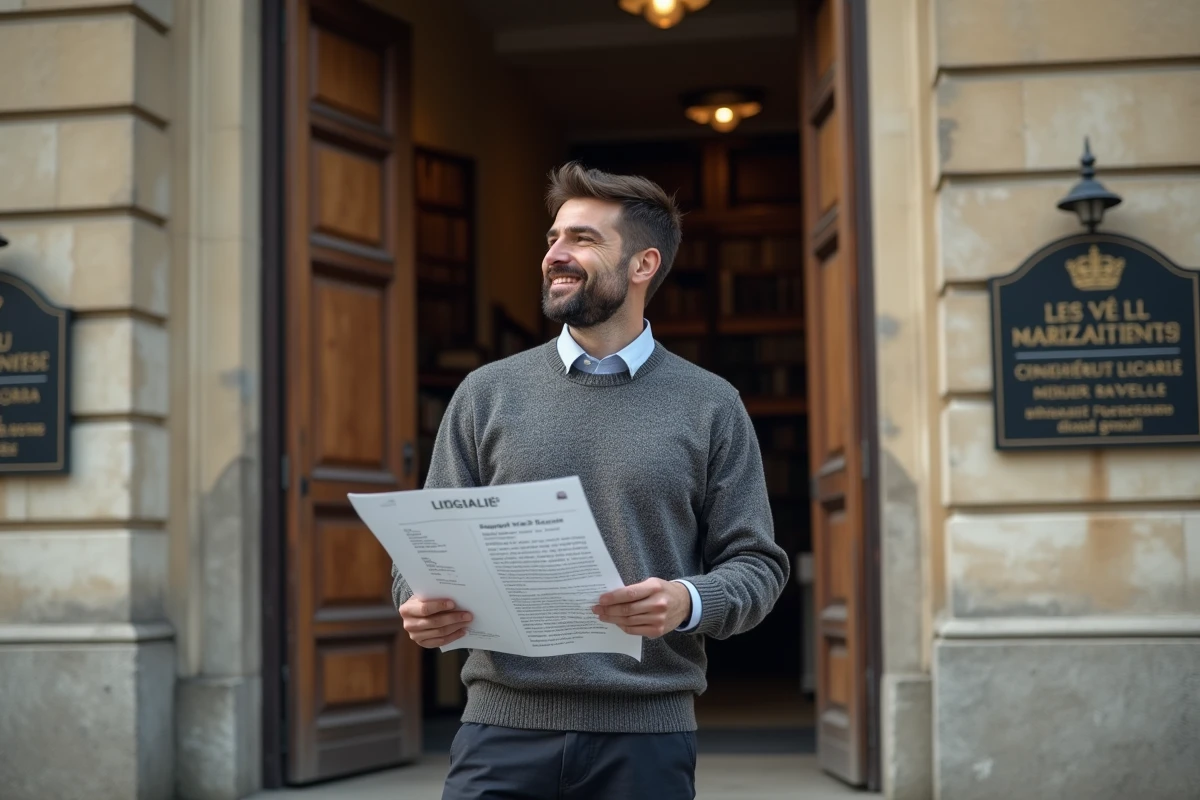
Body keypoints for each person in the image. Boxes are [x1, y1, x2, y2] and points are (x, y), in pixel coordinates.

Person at [393, 162, 790, 800]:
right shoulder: (485, 394)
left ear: (643, 265)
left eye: (583, 239)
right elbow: (427, 544)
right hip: (500, 728)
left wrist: (687, 601)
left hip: (646, 737)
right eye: (552, 238)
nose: (556, 255)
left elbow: (758, 565)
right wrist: (417, 601)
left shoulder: (712, 405)